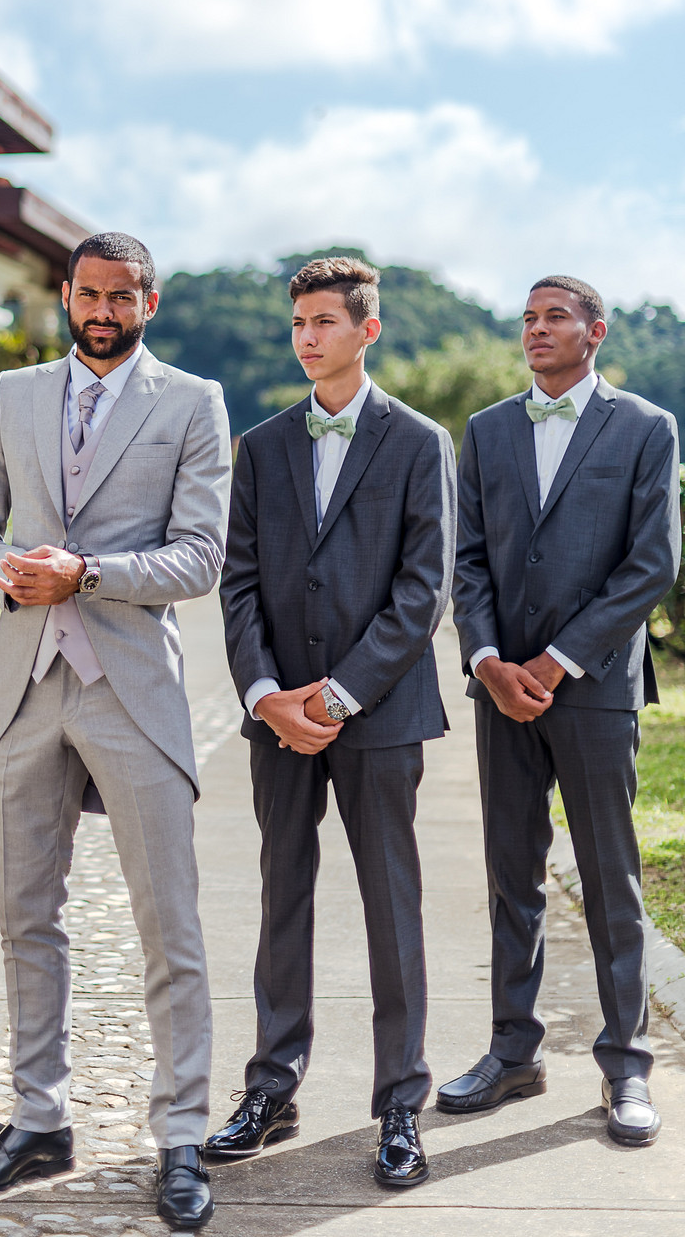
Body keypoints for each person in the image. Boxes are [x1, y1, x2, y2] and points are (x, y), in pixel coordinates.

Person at [0, 232, 231, 1230]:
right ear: (66, 295)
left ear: (150, 300)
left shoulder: (192, 403)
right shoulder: (14, 396)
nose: (103, 311)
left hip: (132, 689)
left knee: (169, 924)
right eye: (89, 294)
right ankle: (38, 1116)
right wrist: (4, 571)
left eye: (122, 297)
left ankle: (183, 1133)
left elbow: (199, 557)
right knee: (27, 916)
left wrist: (90, 575)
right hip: (27, 684)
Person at [209, 256, 456, 1190]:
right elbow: (238, 582)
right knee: (284, 897)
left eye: (325, 320)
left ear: (367, 329)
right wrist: (266, 692)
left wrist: (338, 695)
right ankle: (273, 1084)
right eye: (299, 321)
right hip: (277, 718)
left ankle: (401, 1103)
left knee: (392, 905)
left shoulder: (418, 439)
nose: (308, 336)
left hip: (381, 712)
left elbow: (420, 588)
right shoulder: (264, 444)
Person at [439, 275, 680, 1147]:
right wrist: (489, 659)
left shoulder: (647, 427)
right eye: (528, 317)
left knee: (612, 879)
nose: (537, 329)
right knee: (512, 875)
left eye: (555, 316)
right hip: (500, 690)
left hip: (594, 687)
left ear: (596, 331)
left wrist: (555, 658)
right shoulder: (489, 429)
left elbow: (650, 562)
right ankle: (513, 1053)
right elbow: (464, 557)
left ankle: (626, 1066)